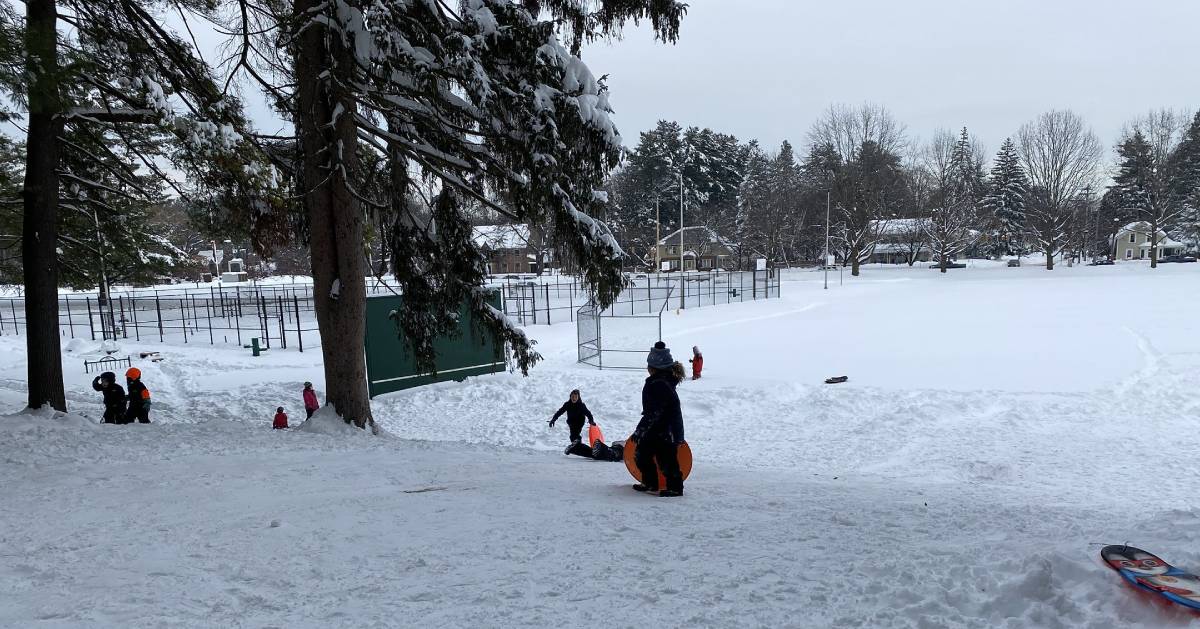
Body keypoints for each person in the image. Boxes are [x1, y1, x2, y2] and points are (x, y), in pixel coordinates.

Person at [631, 341, 685, 497]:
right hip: (657, 428)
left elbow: (654, 411)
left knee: (666, 459)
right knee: (642, 454)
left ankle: (675, 488)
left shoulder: (659, 384)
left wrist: (640, 430)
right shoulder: (660, 381)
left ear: (654, 367)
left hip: (663, 429)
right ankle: (650, 483)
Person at [549, 389, 595, 453]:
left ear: (578, 397)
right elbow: (560, 412)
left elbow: (588, 414)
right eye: (572, 396)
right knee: (573, 437)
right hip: (571, 422)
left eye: (576, 397)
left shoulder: (581, 405)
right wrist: (553, 419)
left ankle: (581, 447)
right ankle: (578, 447)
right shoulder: (567, 404)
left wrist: (591, 421)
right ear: (570, 397)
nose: (574, 398)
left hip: (579, 422)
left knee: (575, 435)